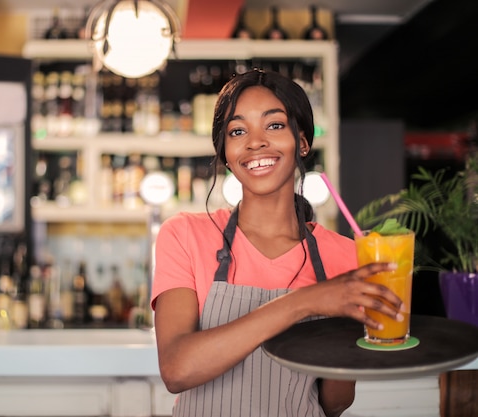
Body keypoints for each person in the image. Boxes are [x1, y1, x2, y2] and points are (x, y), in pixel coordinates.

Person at [150, 69, 404, 417]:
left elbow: (335, 401)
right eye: (238, 131)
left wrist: (350, 332)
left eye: (274, 125)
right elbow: (177, 369)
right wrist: (304, 302)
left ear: (302, 141)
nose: (255, 142)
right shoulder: (185, 234)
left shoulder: (345, 254)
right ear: (225, 151)